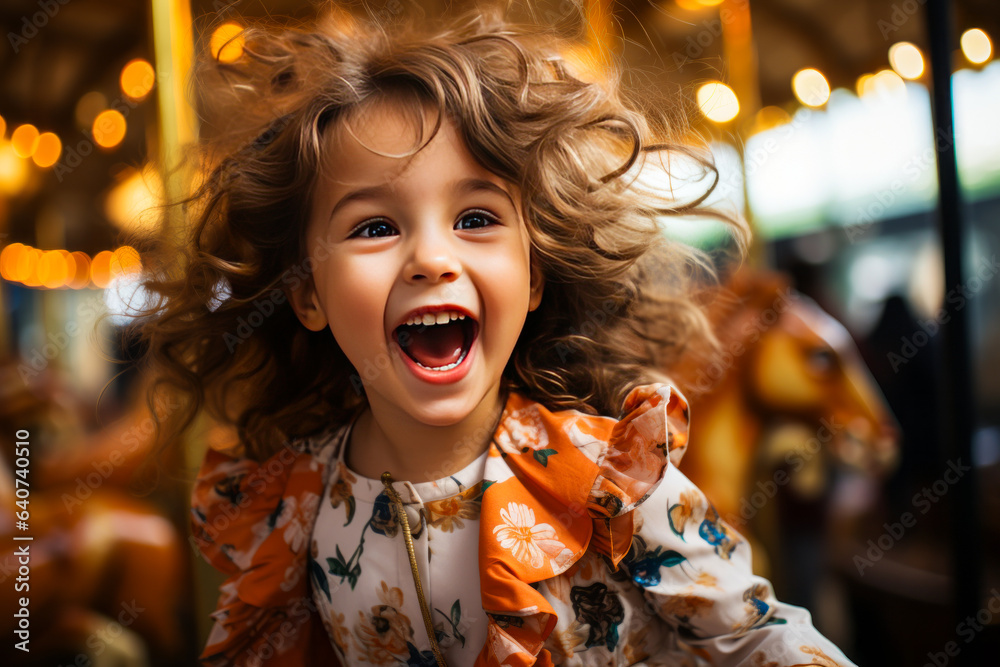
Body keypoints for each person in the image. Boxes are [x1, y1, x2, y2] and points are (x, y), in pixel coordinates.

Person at [136, 6, 856, 666]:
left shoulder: (608, 479)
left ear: (534, 276)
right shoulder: (292, 506)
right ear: (307, 294)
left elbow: (757, 634)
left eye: (476, 218)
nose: (431, 258)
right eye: (376, 227)